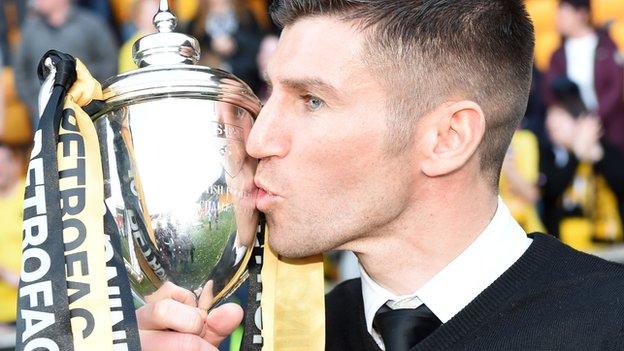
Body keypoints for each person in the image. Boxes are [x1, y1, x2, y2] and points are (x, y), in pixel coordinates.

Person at [136, 1, 624, 350]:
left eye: (312, 100)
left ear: (448, 138)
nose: (259, 139)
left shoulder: (610, 324)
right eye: (271, 93)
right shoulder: (292, 337)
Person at [13, 0, 118, 132]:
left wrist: (94, 96)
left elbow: (109, 61)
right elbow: (20, 72)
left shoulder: (91, 24)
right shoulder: (30, 30)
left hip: (88, 108)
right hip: (44, 111)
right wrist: (35, 104)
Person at [544, 0, 624, 155]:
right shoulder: (557, 55)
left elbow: (616, 87)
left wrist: (594, 117)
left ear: (581, 14)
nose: (558, 19)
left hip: (607, 125)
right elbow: (550, 92)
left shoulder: (606, 46)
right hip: (573, 125)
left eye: (564, 13)